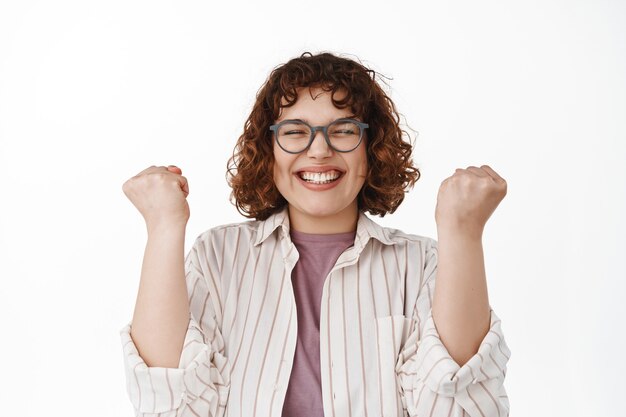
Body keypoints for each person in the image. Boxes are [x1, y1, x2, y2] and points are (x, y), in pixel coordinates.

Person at [119, 51, 511, 417]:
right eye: (294, 131)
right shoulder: (218, 255)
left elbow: (460, 408)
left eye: (342, 130)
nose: (319, 150)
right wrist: (163, 228)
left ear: (371, 147)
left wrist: (462, 232)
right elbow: (168, 401)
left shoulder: (421, 264)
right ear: (269, 149)